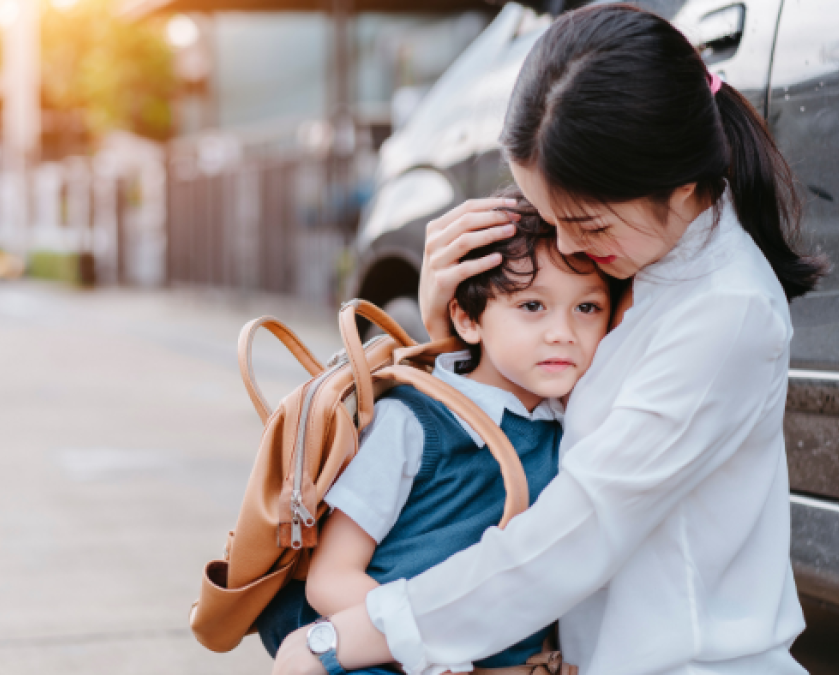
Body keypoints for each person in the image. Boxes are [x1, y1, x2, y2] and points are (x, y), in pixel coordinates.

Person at [272, 5, 827, 675]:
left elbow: (577, 530)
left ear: (680, 187)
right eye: (552, 220)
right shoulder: (650, 264)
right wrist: (454, 328)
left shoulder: (724, 313)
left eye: (587, 226)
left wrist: (348, 639)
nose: (567, 246)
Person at [255, 189, 613, 674]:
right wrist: (432, 650)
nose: (562, 332)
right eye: (532, 306)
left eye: (587, 308)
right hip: (379, 653)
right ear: (467, 318)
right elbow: (331, 579)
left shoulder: (574, 428)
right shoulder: (415, 423)